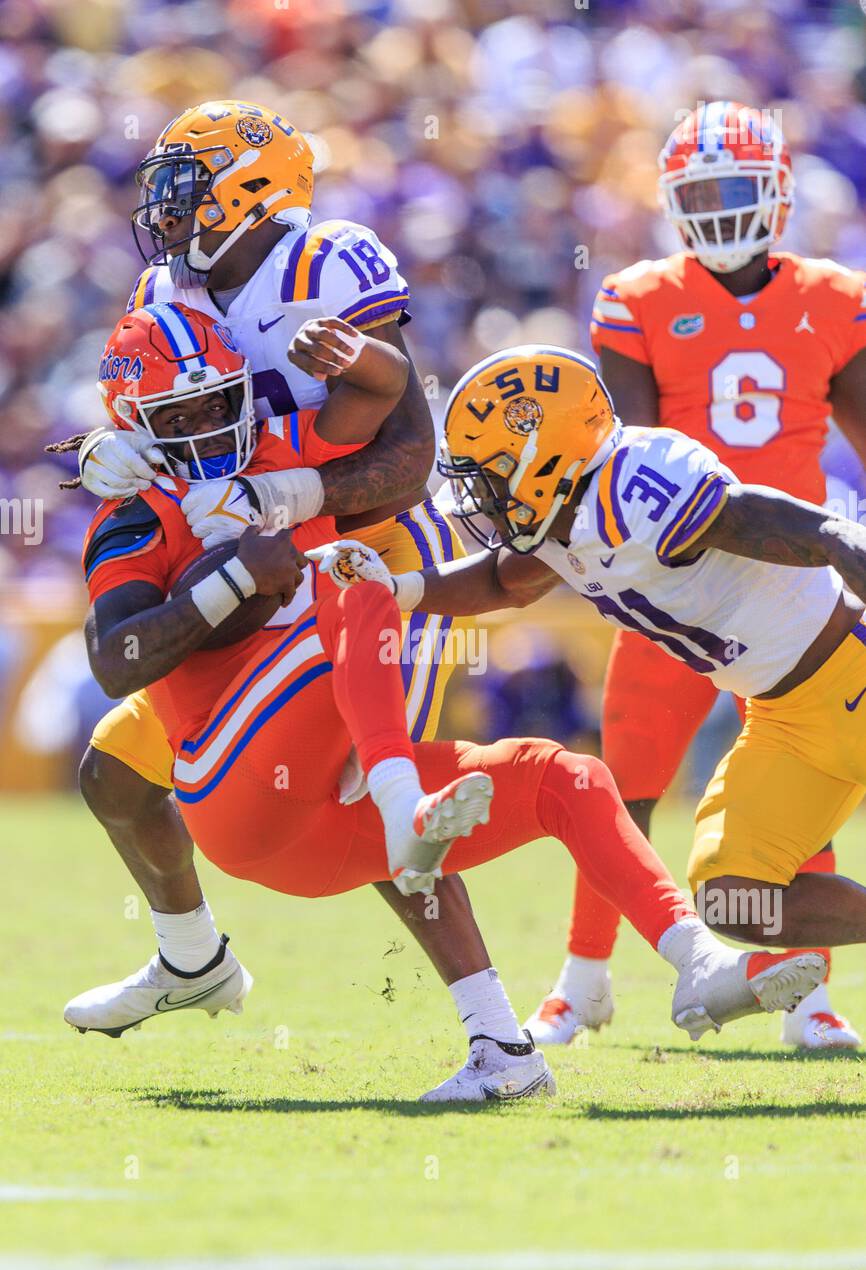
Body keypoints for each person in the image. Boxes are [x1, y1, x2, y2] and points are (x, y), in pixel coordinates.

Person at [67, 309, 824, 1104]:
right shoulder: (135, 511)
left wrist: (355, 349)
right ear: (132, 427)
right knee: (348, 576)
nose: (206, 428)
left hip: (329, 806)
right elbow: (117, 662)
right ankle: (398, 812)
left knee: (567, 775)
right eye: (177, 418)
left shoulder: (282, 448)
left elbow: (383, 395)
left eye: (219, 404)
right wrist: (233, 578)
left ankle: (654, 979)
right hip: (234, 789)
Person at [73, 99, 492, 1001]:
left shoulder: (330, 262)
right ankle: (193, 961)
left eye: (186, 191)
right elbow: (143, 403)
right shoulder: (167, 293)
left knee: (367, 787)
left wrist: (286, 492)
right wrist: (96, 448)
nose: (167, 214)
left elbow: (410, 462)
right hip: (252, 558)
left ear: (253, 191)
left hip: (369, 558)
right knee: (115, 772)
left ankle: (495, 1033)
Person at [321, 345, 866, 976]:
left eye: (493, 475)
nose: (484, 498)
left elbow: (790, 526)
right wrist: (397, 590)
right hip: (787, 720)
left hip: (849, 668)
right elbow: (503, 582)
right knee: (734, 898)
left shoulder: (638, 485)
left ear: (543, 457)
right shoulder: (565, 516)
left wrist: (838, 538)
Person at [528, 102, 866, 1047]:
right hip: (677, 580)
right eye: (701, 194)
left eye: (736, 191)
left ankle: (809, 997)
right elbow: (621, 449)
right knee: (621, 788)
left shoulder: (836, 296)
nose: (718, 211)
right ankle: (582, 979)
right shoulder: (637, 295)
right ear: (673, 200)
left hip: (794, 582)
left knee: (800, 778)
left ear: (779, 195)